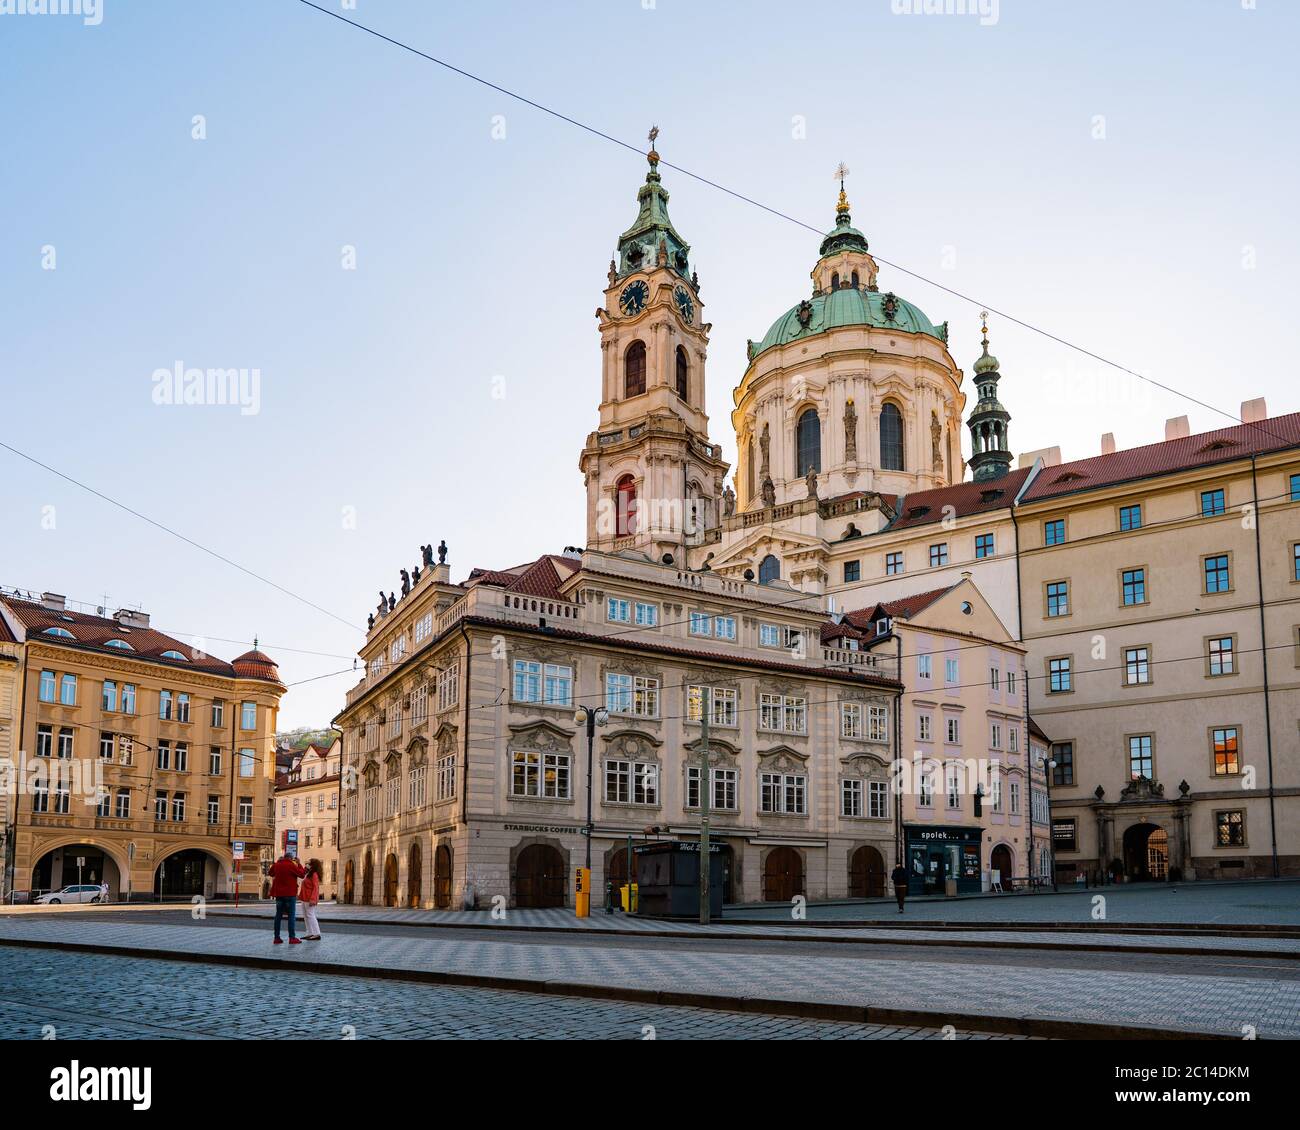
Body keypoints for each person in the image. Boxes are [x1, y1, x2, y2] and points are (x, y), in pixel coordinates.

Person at [267, 851, 306, 944]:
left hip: (279, 894)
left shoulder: (277, 864)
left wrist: (276, 862)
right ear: (291, 858)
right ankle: (292, 938)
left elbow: (270, 873)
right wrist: (299, 864)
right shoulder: (291, 865)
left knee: (278, 916)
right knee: (291, 916)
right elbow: (302, 874)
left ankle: (276, 938)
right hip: (290, 894)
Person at [300, 858, 324, 941]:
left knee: (311, 915)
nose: (307, 864)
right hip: (304, 898)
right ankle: (310, 933)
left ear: (313, 865)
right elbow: (301, 874)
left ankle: (317, 934)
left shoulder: (314, 874)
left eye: (309, 863)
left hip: (309, 898)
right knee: (306, 916)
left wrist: (313, 899)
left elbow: (316, 888)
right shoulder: (309, 873)